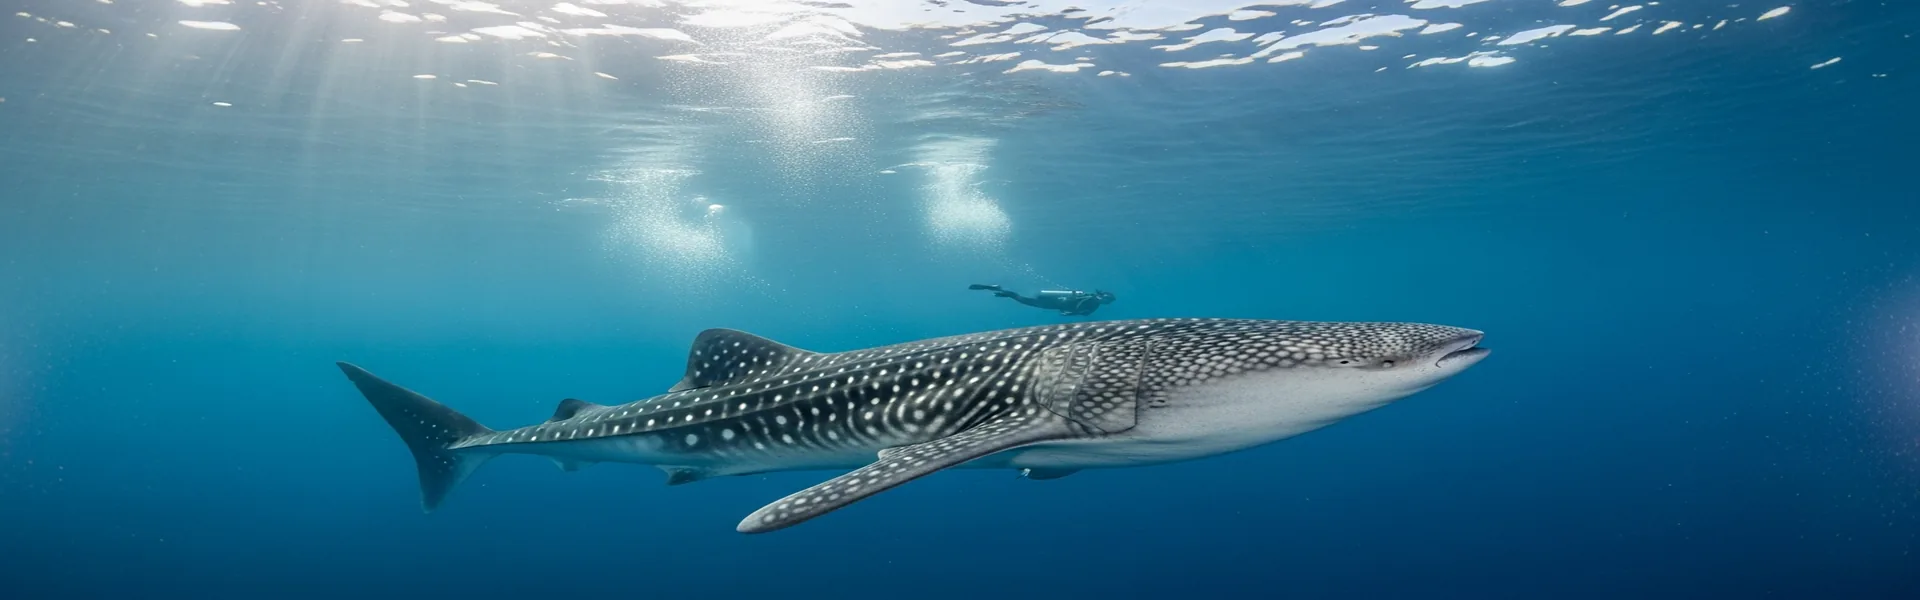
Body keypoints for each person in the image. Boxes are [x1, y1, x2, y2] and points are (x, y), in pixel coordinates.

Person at [969, 284, 1116, 316]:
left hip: (1052, 303)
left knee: (1021, 299)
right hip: (1050, 302)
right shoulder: (1089, 298)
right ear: (1102, 296)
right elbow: (1082, 311)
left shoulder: (1092, 303)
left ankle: (1002, 291)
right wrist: (1068, 313)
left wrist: (1068, 314)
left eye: (1108, 302)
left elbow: (1082, 313)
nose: (1106, 302)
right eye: (1107, 299)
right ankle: (998, 288)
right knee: (1021, 299)